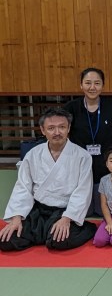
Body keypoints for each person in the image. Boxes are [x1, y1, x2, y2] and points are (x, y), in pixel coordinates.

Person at [0, 108, 95, 252]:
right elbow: (23, 187)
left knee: (59, 241)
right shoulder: (33, 155)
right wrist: (16, 217)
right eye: (51, 128)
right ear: (43, 130)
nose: (57, 132)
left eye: (62, 127)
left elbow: (83, 191)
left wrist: (67, 218)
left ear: (69, 128)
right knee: (6, 241)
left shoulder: (82, 156)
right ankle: (44, 234)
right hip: (38, 211)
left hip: (64, 211)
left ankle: (86, 228)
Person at [64, 67, 112, 215]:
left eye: (97, 83)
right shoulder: (71, 107)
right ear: (81, 85)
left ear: (103, 85)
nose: (92, 87)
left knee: (101, 211)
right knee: (83, 212)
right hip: (79, 163)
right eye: (88, 83)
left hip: (104, 163)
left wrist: (111, 148)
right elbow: (64, 132)